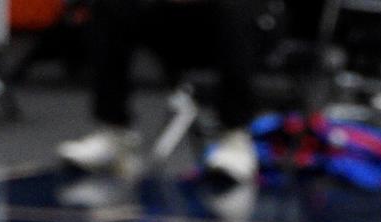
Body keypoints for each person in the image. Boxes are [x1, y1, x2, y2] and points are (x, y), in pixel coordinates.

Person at [57, 0, 260, 184]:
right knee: (110, 6)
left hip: (244, 23)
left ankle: (236, 138)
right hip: (171, 21)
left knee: (235, 7)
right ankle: (114, 133)